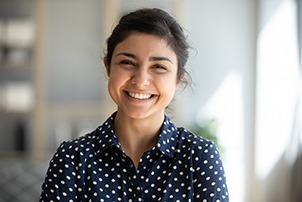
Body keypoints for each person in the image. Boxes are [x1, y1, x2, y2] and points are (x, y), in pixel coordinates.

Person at [40, 8, 229, 201]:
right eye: (128, 62)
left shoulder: (199, 156)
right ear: (108, 67)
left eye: (159, 67)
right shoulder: (73, 159)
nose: (140, 81)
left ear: (178, 79)